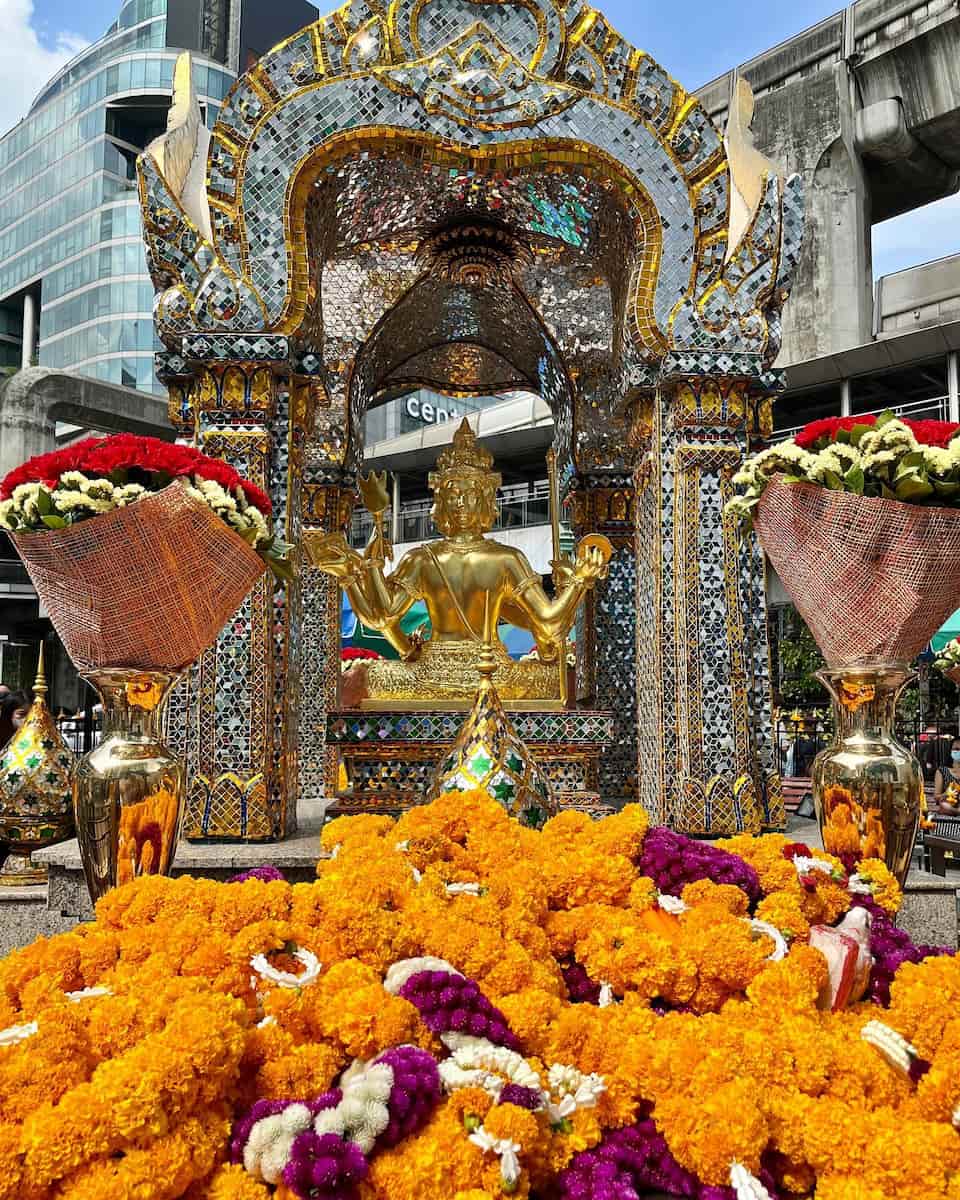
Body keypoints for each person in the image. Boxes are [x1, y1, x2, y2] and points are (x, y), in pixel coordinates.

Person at [934, 737, 960, 813]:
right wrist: (946, 794)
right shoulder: (942, 771)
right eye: (956, 749)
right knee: (944, 805)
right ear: (950, 751)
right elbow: (936, 797)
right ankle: (957, 811)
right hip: (948, 804)